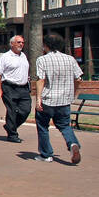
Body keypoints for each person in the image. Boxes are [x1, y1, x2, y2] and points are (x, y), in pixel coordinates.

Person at [34, 33, 84, 164]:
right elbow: (78, 78)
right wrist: (75, 93)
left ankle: (46, 154)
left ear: (46, 45)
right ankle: (73, 144)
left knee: (43, 127)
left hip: (47, 99)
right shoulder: (70, 59)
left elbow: (41, 79)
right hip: (64, 100)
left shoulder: (42, 60)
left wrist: (38, 98)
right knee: (65, 126)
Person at [0, 35, 32, 143]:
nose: (21, 44)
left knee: (26, 110)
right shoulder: (5, 57)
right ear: (12, 44)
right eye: (19, 42)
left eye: (22, 42)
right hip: (9, 87)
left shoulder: (23, 56)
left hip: (23, 88)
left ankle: (10, 126)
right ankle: (12, 135)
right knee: (12, 111)